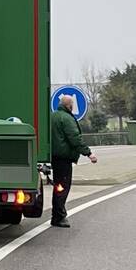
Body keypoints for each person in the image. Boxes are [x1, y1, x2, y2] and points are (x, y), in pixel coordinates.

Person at [50, 95, 97, 228]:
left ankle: (56, 215)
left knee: (58, 186)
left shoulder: (52, 116)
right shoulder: (66, 118)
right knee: (62, 187)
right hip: (64, 158)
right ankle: (59, 216)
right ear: (69, 105)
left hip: (54, 156)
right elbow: (75, 138)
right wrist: (89, 153)